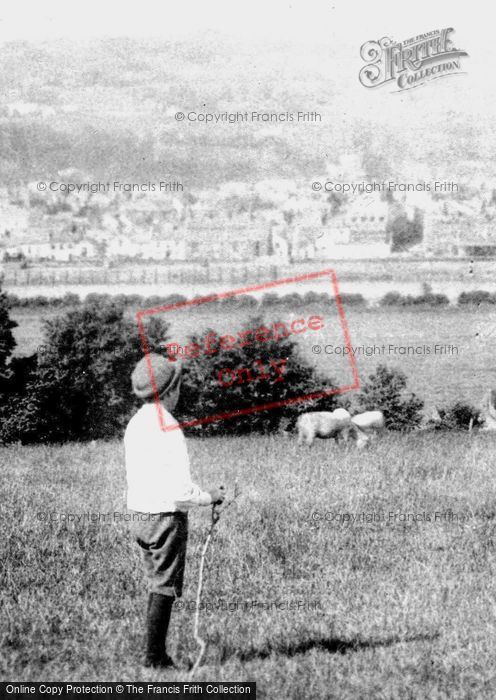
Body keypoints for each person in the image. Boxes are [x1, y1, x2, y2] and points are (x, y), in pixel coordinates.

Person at [125, 353, 225, 668]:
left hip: (140, 515)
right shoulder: (168, 426)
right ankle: (154, 658)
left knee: (157, 583)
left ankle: (154, 655)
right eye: (179, 386)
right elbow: (179, 490)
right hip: (165, 517)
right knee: (164, 587)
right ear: (170, 390)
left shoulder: (136, 422)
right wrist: (210, 497)